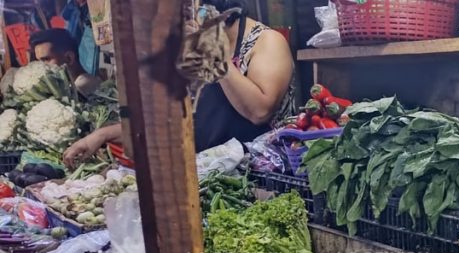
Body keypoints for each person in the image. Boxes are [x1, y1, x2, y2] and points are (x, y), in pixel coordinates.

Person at [62, 0, 294, 167]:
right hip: (210, 180)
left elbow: (259, 111)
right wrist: (102, 135)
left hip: (260, 180)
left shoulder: (265, 41)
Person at [30, 28, 102, 96]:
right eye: (39, 61)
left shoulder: (83, 87)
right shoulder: (69, 86)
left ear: (69, 58)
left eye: (46, 59)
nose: (42, 66)